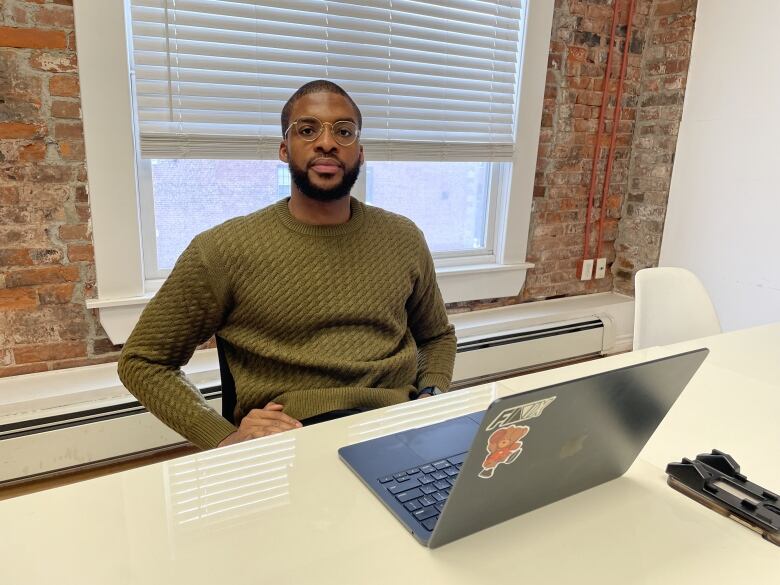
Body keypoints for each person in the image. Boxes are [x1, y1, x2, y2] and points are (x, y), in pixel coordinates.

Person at [118, 80, 457, 450]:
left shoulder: (402, 236)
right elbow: (143, 361)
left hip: (398, 426)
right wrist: (223, 438)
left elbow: (436, 336)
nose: (326, 142)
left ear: (359, 154)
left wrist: (431, 395)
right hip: (293, 438)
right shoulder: (223, 250)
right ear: (284, 149)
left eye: (343, 132)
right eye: (307, 130)